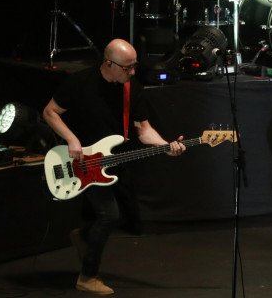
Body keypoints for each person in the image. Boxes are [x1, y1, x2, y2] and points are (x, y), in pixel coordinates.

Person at [43, 39, 185, 294]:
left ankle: (84, 236)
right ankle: (87, 277)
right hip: (78, 162)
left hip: (110, 162)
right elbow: (50, 112)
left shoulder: (132, 88)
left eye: (134, 66)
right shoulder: (80, 82)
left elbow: (143, 130)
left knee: (114, 215)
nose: (132, 72)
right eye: (127, 67)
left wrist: (166, 146)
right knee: (109, 215)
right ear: (109, 63)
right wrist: (71, 139)